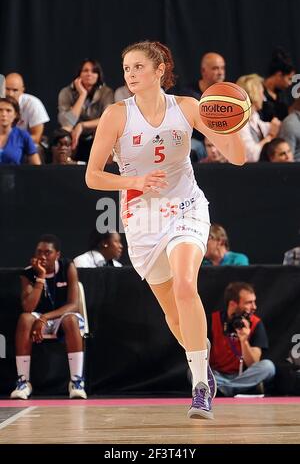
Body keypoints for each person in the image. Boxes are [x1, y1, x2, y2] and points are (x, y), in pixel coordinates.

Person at [85, 40, 246, 419]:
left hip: (186, 207)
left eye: (138, 67)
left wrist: (235, 121)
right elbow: (92, 177)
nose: (130, 74)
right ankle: (201, 364)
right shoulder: (116, 115)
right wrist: (135, 180)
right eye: (126, 68)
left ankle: (199, 387)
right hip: (142, 220)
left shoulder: (187, 107)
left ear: (160, 70)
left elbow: (238, 157)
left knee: (187, 285)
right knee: (173, 315)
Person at [10, 234, 87, 400]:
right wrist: (41, 277)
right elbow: (29, 307)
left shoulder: (67, 266)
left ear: (57, 254)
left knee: (71, 319)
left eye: (47, 252)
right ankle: (23, 382)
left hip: (61, 317)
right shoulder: (28, 273)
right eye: (39, 252)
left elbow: (73, 304)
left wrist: (44, 317)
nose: (42, 256)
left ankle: (76, 382)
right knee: (25, 318)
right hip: (37, 320)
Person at [209, 282, 276, 396]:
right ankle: (236, 388)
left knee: (268, 367)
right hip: (217, 375)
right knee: (192, 372)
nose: (254, 307)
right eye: (249, 303)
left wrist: (244, 341)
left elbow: (253, 363)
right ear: (233, 304)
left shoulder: (256, 323)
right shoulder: (212, 320)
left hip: (243, 375)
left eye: (254, 302)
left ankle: (224, 390)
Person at [58, 58, 114, 162]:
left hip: (95, 133)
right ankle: (66, 165)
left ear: (98, 75)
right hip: (74, 135)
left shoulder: (106, 92)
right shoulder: (66, 92)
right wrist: (82, 94)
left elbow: (108, 119)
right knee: (64, 133)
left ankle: (105, 169)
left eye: (94, 71)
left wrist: (82, 125)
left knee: (106, 131)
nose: (89, 74)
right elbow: (68, 123)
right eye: (85, 70)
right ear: (79, 73)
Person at [236, 74, 281, 162]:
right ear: (254, 94)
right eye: (262, 93)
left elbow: (267, 127)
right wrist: (270, 136)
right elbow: (252, 155)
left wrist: (276, 126)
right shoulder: (240, 123)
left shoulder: (254, 117)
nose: (264, 98)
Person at [5, 73, 50, 145]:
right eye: (7, 89)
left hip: (25, 146)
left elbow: (36, 137)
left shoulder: (33, 104)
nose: (10, 94)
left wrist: (12, 143)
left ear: (22, 90)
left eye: (15, 90)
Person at [0, 96, 41, 165]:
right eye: (0, 110)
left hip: (13, 175)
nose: (4, 114)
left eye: (8, 110)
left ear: (15, 114)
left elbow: (36, 165)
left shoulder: (23, 135)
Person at [260, 48, 295, 122]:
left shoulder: (283, 95)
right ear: (279, 75)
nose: (290, 83)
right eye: (289, 79)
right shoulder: (258, 91)